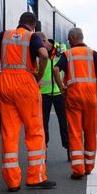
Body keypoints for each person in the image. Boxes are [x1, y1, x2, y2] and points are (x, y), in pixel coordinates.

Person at [0, 12, 56, 191]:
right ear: (33, 25)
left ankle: (12, 181)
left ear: (19, 22)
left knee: (9, 132)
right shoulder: (31, 36)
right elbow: (44, 55)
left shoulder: (4, 36)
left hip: (5, 83)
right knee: (35, 130)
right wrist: (40, 74)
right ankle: (35, 177)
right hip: (25, 83)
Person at [53, 28, 97, 179]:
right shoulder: (93, 53)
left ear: (72, 38)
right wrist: (94, 94)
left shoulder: (67, 54)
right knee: (90, 132)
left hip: (73, 96)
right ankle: (89, 166)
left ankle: (78, 169)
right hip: (90, 97)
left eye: (69, 40)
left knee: (75, 133)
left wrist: (62, 87)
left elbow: (56, 70)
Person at [35, 32, 70, 160]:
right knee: (43, 123)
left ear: (44, 41)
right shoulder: (35, 52)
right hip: (43, 93)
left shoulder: (62, 49)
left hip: (59, 92)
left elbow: (68, 68)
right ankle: (44, 149)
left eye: (39, 45)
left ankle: (69, 148)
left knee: (64, 122)